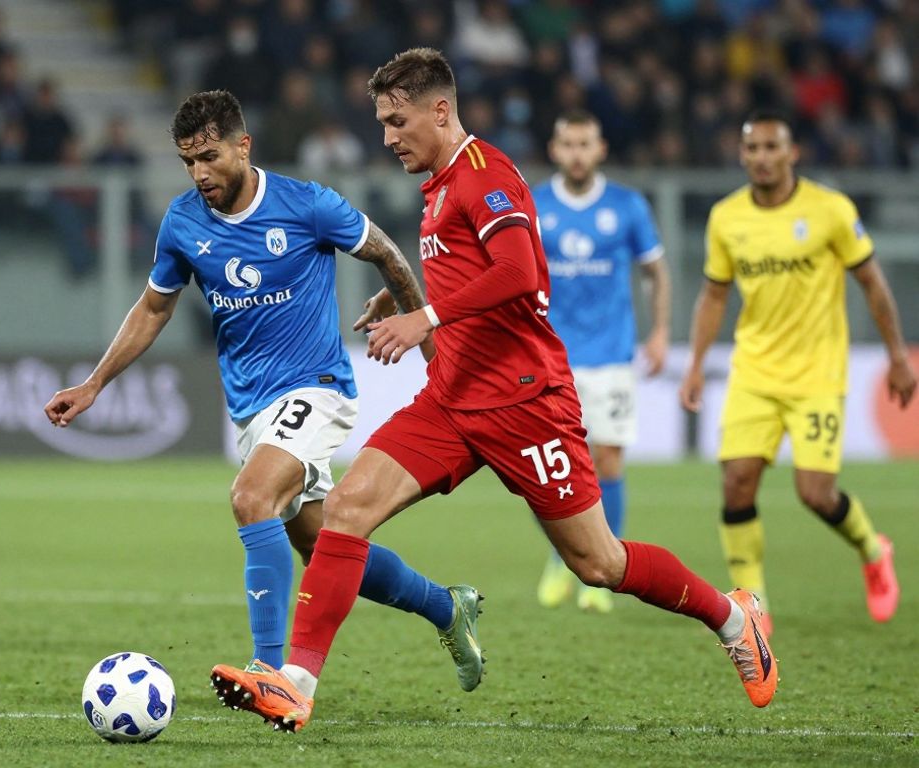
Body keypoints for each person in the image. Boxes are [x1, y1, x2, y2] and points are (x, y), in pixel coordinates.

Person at [211, 48, 778, 733]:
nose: (388, 137)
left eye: (397, 120)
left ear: (440, 110)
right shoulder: (439, 186)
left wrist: (426, 315)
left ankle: (731, 615)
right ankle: (296, 684)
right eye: (382, 123)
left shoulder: (486, 174)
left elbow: (518, 272)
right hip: (452, 397)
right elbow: (466, 279)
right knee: (347, 507)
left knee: (599, 562)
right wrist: (406, 303)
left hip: (524, 401)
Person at [45, 90, 483, 680]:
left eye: (209, 157)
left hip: (316, 386)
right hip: (252, 405)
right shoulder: (181, 223)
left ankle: (269, 670)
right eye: (188, 162)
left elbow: (389, 255)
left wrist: (429, 348)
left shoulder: (306, 204)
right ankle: (445, 606)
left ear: (242, 146)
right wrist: (95, 384)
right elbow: (153, 308)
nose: (200, 173)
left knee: (250, 498)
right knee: (324, 548)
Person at [679, 109, 912, 636]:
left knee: (816, 494)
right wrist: (694, 365)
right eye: (751, 149)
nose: (761, 158)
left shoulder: (830, 210)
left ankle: (873, 549)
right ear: (741, 156)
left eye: (771, 148)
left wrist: (898, 356)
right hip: (754, 372)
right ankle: (753, 606)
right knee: (737, 483)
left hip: (817, 375)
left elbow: (873, 284)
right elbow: (714, 295)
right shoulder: (727, 217)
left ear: (792, 153)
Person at [531, 109, 670, 614]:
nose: (576, 153)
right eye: (568, 144)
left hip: (611, 353)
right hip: (550, 357)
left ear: (601, 149)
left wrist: (659, 332)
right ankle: (560, 556)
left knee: (606, 459)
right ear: (554, 149)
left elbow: (656, 271)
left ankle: (600, 571)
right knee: (549, 467)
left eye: (585, 144)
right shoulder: (534, 205)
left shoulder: (627, 206)